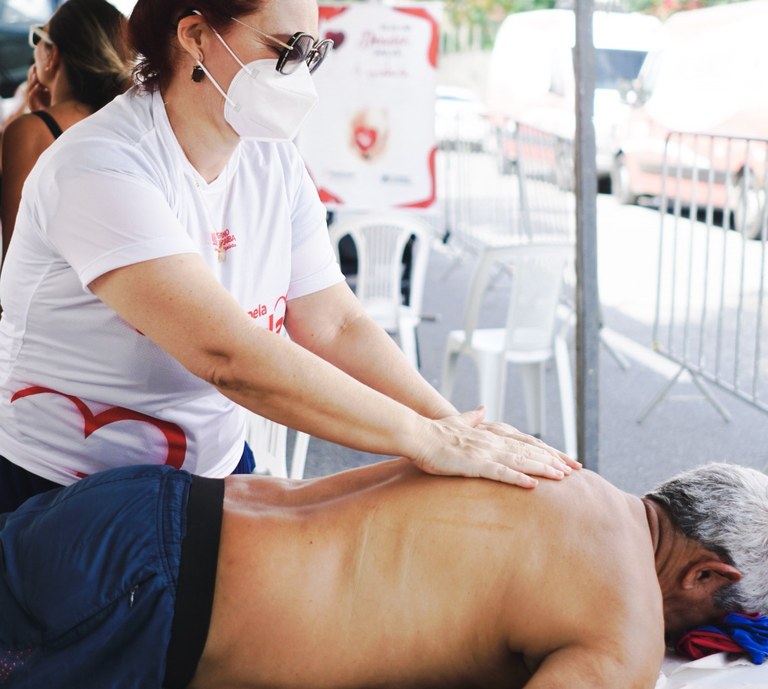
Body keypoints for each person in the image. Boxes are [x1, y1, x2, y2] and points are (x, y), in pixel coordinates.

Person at [0, 0, 578, 514]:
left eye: (314, 54)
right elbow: (228, 356)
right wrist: (424, 440)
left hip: (210, 475)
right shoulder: (100, 165)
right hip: (64, 493)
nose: (301, 75)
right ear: (196, 36)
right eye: (284, 50)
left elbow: (333, 321)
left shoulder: (270, 158)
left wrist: (450, 423)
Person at [1, 459, 766, 689]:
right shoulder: (624, 626)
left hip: (141, 504)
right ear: (706, 575)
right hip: (147, 603)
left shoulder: (563, 472)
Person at [0, 0, 134, 260]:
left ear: (52, 55)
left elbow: (17, 253)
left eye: (38, 36)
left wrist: (32, 120)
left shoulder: (31, 131)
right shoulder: (131, 122)